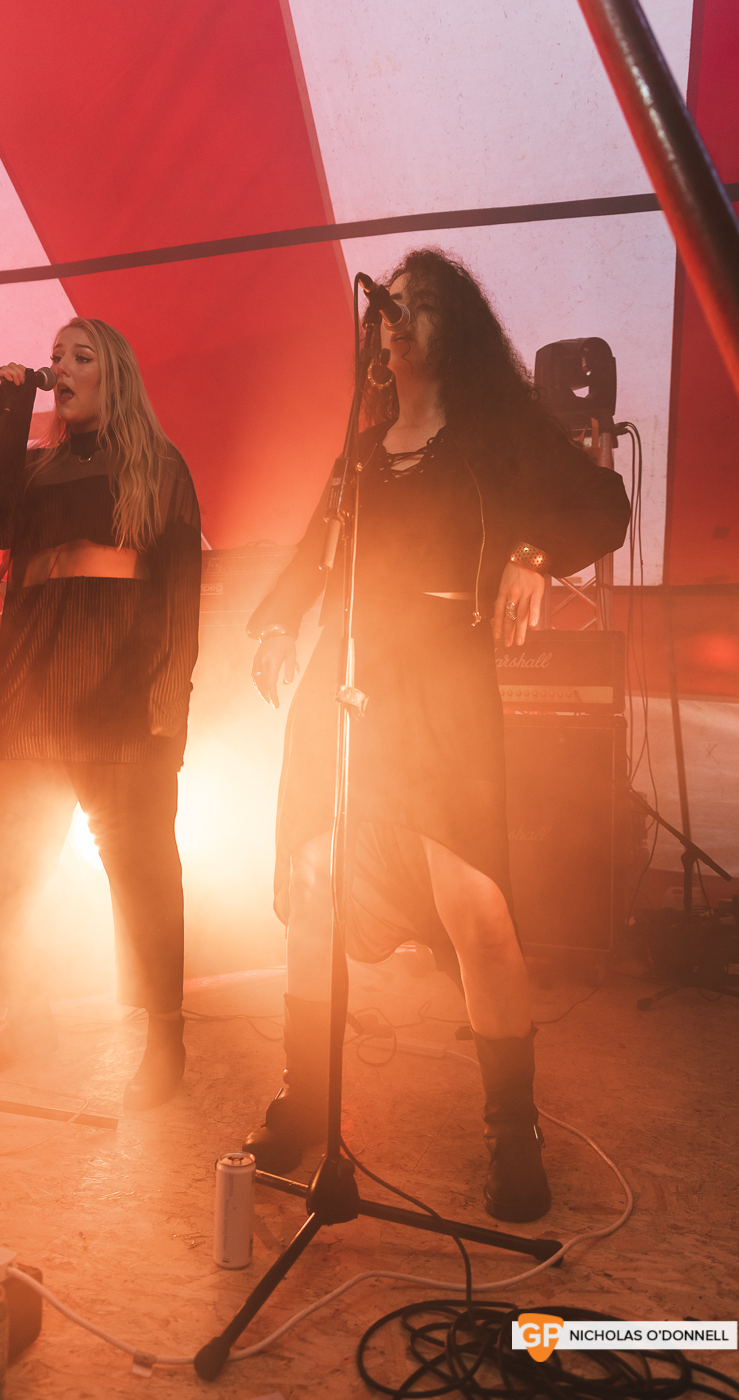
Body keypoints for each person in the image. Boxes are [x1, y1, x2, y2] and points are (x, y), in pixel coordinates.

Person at [244, 248, 630, 1221]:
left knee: (475, 907)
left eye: (416, 305)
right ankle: (305, 1096)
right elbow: (315, 552)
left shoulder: (496, 433)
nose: (394, 318)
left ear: (454, 328)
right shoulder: (362, 452)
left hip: (441, 683)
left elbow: (602, 505)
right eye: (388, 307)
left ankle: (512, 1128)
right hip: (346, 678)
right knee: (313, 886)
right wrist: (279, 623)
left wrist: (532, 553)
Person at [0, 318, 201, 1110]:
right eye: (55, 356)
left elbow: (181, 595)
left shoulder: (159, 467)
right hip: (31, 696)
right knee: (0, 866)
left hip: (119, 700)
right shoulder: (32, 468)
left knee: (141, 876)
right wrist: (6, 414)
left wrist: (168, 706)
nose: (60, 367)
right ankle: (28, 1018)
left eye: (79, 357)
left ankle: (164, 1038)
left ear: (113, 376)